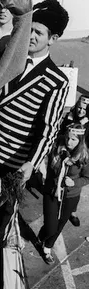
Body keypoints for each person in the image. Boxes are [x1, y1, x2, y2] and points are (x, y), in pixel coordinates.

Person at [0, 0, 70, 259]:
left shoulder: (56, 80)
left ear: (53, 38)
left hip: (17, 155)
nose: (31, 36)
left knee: (9, 202)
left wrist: (32, 163)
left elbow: (49, 128)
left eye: (38, 33)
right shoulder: (6, 58)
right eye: (29, 29)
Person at [37, 124, 89, 264]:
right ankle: (42, 236)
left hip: (70, 195)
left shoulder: (84, 156)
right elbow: (41, 155)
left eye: (73, 139)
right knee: (51, 226)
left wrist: (74, 183)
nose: (68, 142)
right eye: (67, 138)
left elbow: (86, 178)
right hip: (52, 191)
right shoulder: (56, 147)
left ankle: (47, 248)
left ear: (80, 141)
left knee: (60, 225)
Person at [60, 95, 89, 226]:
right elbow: (61, 134)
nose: (80, 111)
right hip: (65, 152)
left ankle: (73, 212)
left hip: (81, 155)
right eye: (79, 107)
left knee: (76, 181)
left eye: (84, 109)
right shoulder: (70, 116)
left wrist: (80, 155)